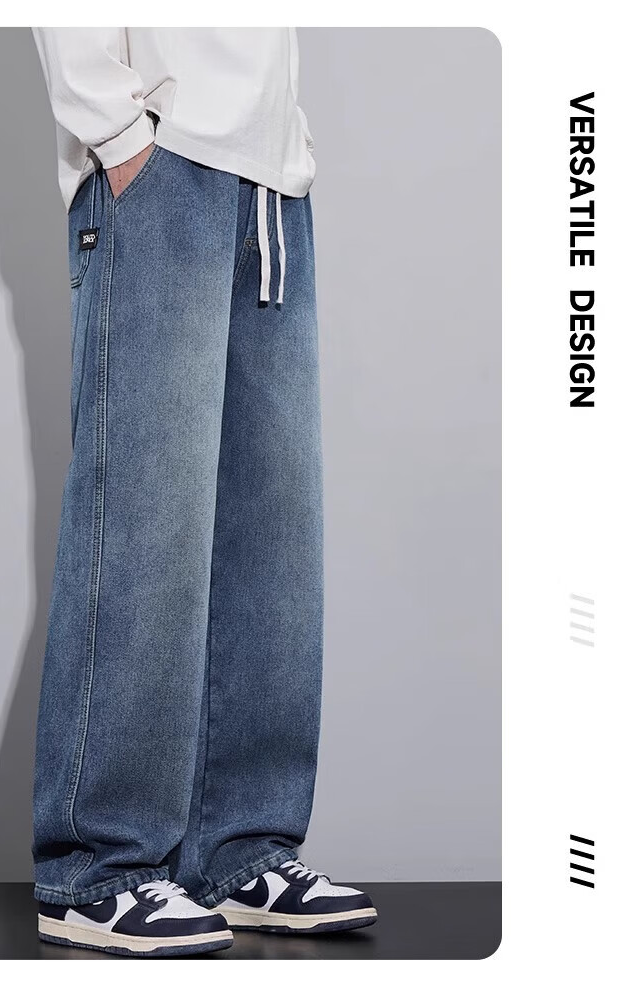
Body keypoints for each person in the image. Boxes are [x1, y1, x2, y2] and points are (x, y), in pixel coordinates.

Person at [31, 27, 377, 957]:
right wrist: (119, 137)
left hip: (272, 187)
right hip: (163, 164)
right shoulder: (143, 155)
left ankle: (242, 849)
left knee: (272, 536)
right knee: (143, 524)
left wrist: (285, 142)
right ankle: (96, 871)